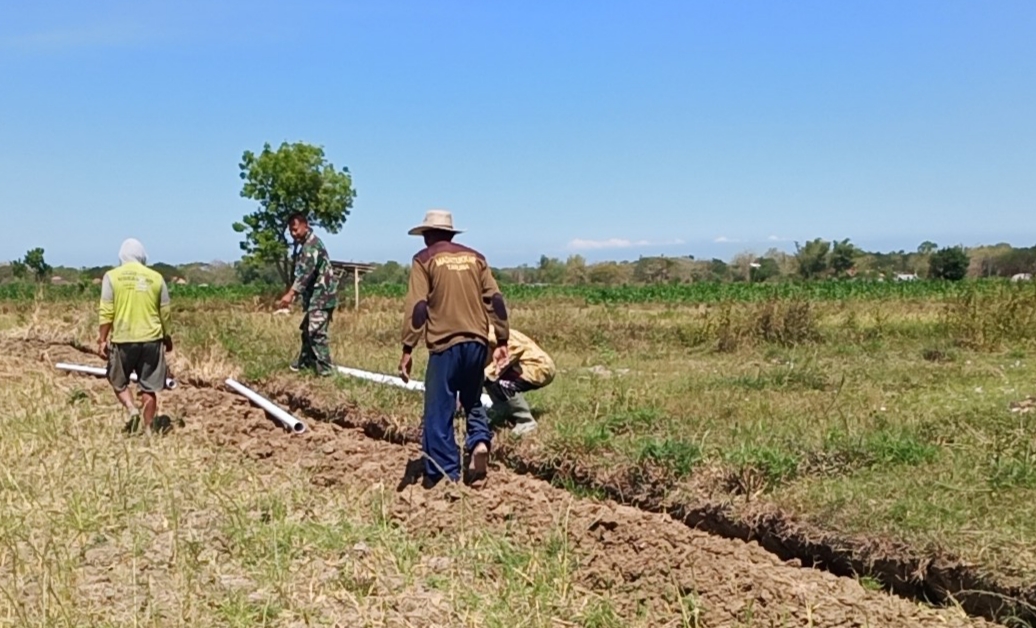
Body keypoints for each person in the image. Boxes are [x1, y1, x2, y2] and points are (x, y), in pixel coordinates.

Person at [398, 209, 510, 485]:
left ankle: (444, 472)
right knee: (471, 398)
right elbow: (495, 299)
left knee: (439, 408)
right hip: (476, 342)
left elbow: (418, 306)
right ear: (450, 233)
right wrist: (503, 339)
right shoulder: (476, 258)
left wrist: (408, 347)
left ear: (428, 235)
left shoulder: (424, 259)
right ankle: (480, 440)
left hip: (445, 343)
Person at [98, 238, 173, 433]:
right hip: (152, 339)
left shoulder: (112, 277)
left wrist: (102, 339)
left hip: (123, 339)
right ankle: (149, 429)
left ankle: (131, 409)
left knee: (117, 380)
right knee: (149, 387)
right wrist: (167, 336)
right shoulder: (156, 277)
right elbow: (165, 312)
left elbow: (106, 311)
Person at [277, 212, 339, 377]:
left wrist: (290, 294)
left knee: (316, 333)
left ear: (306, 225)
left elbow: (305, 274)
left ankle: (326, 371)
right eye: (291, 231)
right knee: (307, 330)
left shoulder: (312, 245)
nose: (293, 233)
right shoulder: (306, 245)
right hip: (315, 296)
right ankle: (305, 363)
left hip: (322, 295)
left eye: (296, 229)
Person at [484, 326, 555, 436]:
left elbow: (515, 347)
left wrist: (489, 371)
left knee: (503, 384)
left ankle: (526, 421)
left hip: (538, 367)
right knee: (490, 380)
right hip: (518, 366)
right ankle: (503, 414)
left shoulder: (489, 333)